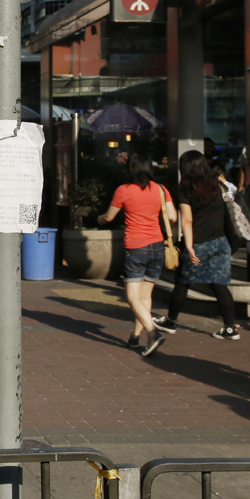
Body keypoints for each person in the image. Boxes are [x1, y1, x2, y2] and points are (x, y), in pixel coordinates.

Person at [153, 150, 240, 341]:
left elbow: (187, 221)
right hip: (220, 242)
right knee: (219, 285)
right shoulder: (217, 185)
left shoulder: (185, 189)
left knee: (183, 282)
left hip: (198, 242)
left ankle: (171, 321)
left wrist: (190, 246)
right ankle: (230, 327)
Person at [97, 152, 177, 356]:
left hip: (135, 247)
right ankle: (134, 337)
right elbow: (174, 216)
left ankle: (152, 333)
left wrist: (101, 219)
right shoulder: (160, 189)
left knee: (132, 297)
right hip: (157, 246)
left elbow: (109, 216)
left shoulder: (123, 190)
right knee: (145, 296)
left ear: (130, 168)